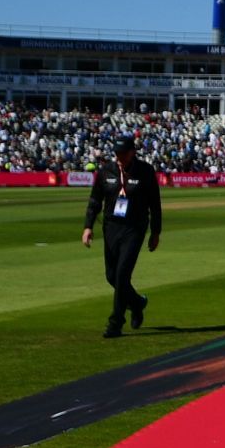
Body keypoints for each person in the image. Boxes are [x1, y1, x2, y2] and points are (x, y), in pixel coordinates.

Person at [81, 134, 161, 339]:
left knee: (122, 274)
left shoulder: (145, 171)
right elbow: (95, 200)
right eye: (116, 154)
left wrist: (155, 232)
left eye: (123, 154)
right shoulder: (106, 171)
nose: (119, 157)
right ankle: (136, 303)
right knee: (111, 276)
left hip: (135, 228)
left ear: (132, 152)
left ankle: (115, 323)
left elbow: (155, 203)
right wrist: (88, 227)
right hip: (111, 227)